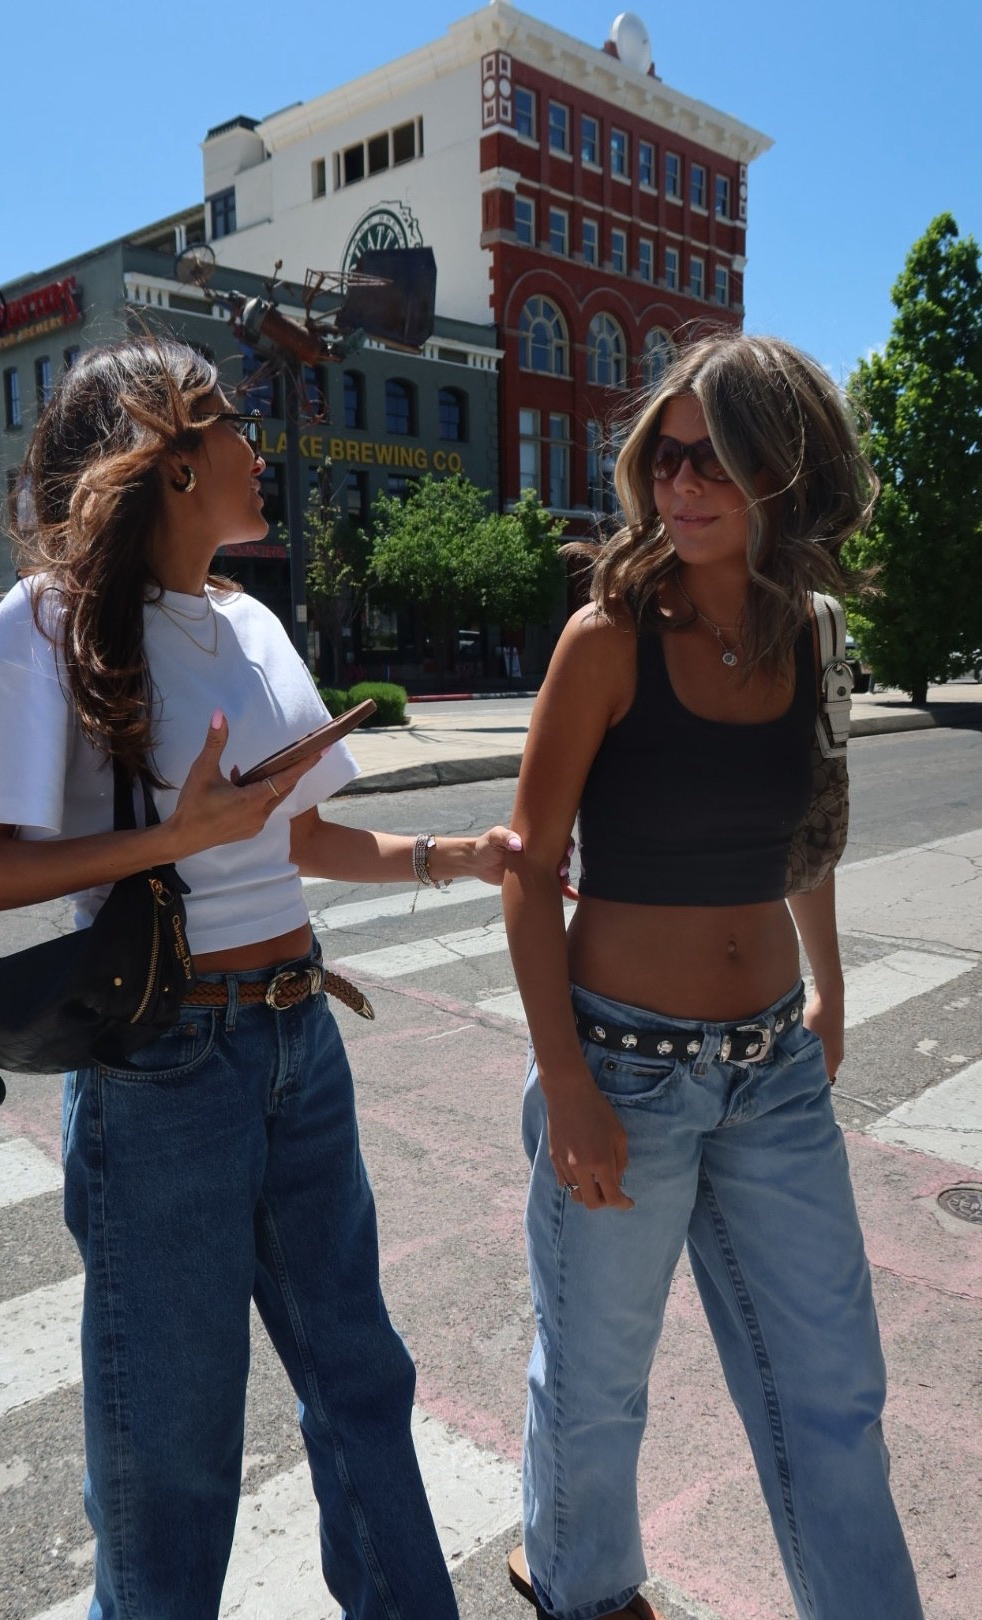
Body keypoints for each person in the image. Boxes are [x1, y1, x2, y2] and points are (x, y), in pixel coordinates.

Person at [0, 335, 524, 1620]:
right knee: (170, 1459)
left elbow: (302, 836)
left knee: (363, 1387)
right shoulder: (40, 626)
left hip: (298, 1041)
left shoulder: (251, 623)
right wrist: (168, 839)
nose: (260, 447)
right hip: (166, 1070)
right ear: (173, 452)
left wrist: (452, 854)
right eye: (236, 424)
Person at [501, 334, 924, 1620]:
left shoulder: (813, 637)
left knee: (833, 1387)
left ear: (782, 475)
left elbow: (808, 837)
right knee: (598, 1375)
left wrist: (830, 987)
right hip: (622, 1067)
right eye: (666, 457)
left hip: (773, 1070)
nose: (683, 486)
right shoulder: (605, 640)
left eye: (718, 461)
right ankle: (578, 1584)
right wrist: (567, 1084)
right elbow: (529, 871)